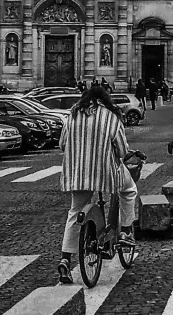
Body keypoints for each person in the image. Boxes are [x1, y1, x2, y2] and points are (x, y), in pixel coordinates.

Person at [57, 80, 135, 284]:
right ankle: (126, 231)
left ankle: (65, 259)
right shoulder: (110, 117)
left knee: (75, 212)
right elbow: (122, 151)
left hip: (78, 173)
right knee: (129, 190)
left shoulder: (72, 115)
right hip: (105, 172)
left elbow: (62, 144)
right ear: (105, 99)